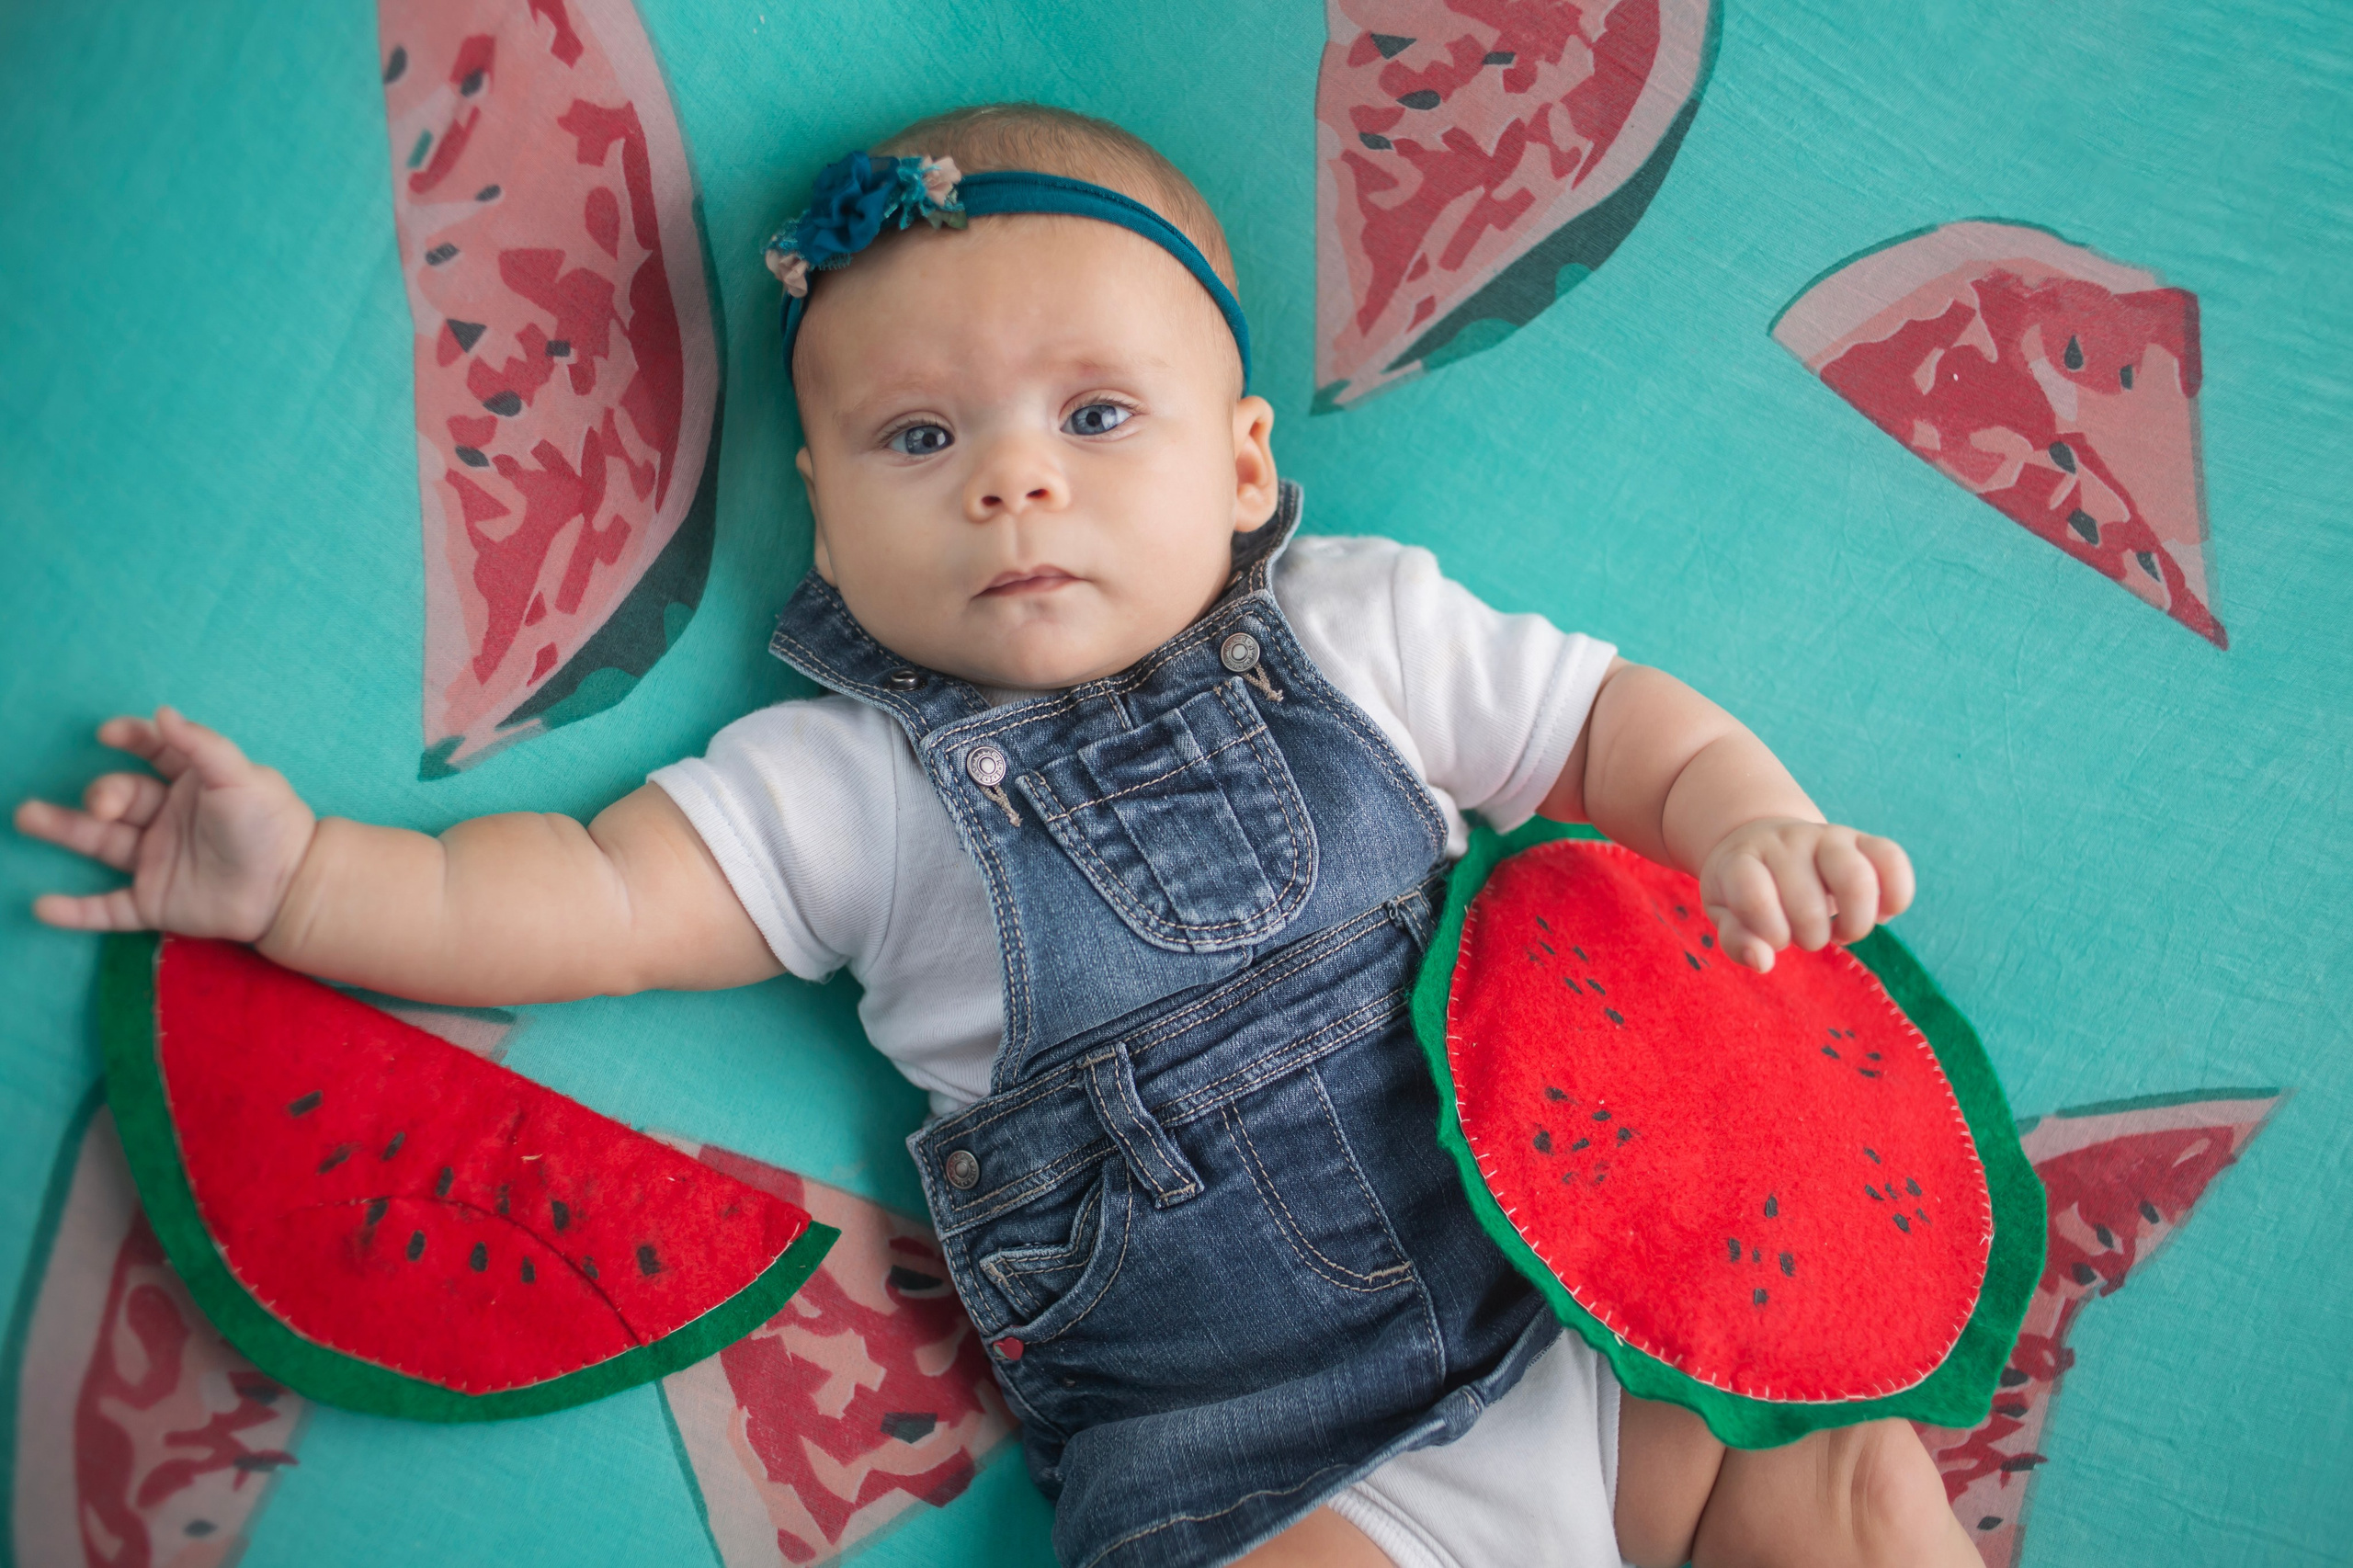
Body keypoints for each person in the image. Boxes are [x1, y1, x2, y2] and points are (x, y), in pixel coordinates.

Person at [17, 103, 1981, 1568]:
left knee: (1858, 1483)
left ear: (1239, 468)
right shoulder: (848, 785)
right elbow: (586, 900)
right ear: (818, 503)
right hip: (1266, 1475)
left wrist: (1741, 815)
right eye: (919, 440)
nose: (1012, 480)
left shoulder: (1360, 624)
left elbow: (1596, 722)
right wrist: (303, 879)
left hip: (1575, 1322)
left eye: (1097, 417)